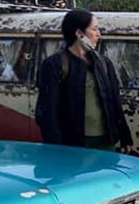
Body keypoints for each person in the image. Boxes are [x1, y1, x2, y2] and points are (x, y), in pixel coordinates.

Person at [35, 10, 134, 153]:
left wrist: (125, 136)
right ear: (79, 33)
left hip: (105, 141)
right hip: (73, 144)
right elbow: (47, 111)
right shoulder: (55, 64)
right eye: (94, 29)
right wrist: (55, 148)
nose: (98, 34)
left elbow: (115, 102)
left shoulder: (104, 63)